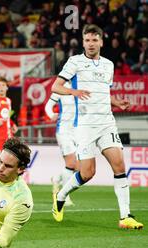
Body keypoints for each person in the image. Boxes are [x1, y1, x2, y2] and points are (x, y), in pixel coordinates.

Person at [51, 25, 143, 229]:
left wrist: (117, 102)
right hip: (84, 126)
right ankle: (61, 195)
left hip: (106, 123)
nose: (91, 44)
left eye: (94, 40)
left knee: (119, 165)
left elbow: (103, 94)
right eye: (87, 40)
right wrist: (73, 92)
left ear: (101, 42)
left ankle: (125, 216)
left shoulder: (108, 65)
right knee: (87, 173)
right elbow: (56, 87)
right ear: (83, 42)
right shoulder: (74, 62)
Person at [44, 82, 77, 206]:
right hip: (64, 131)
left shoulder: (81, 86)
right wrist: (52, 115)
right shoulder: (60, 89)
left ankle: (57, 179)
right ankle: (65, 197)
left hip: (78, 131)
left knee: (80, 167)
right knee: (71, 163)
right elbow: (48, 106)